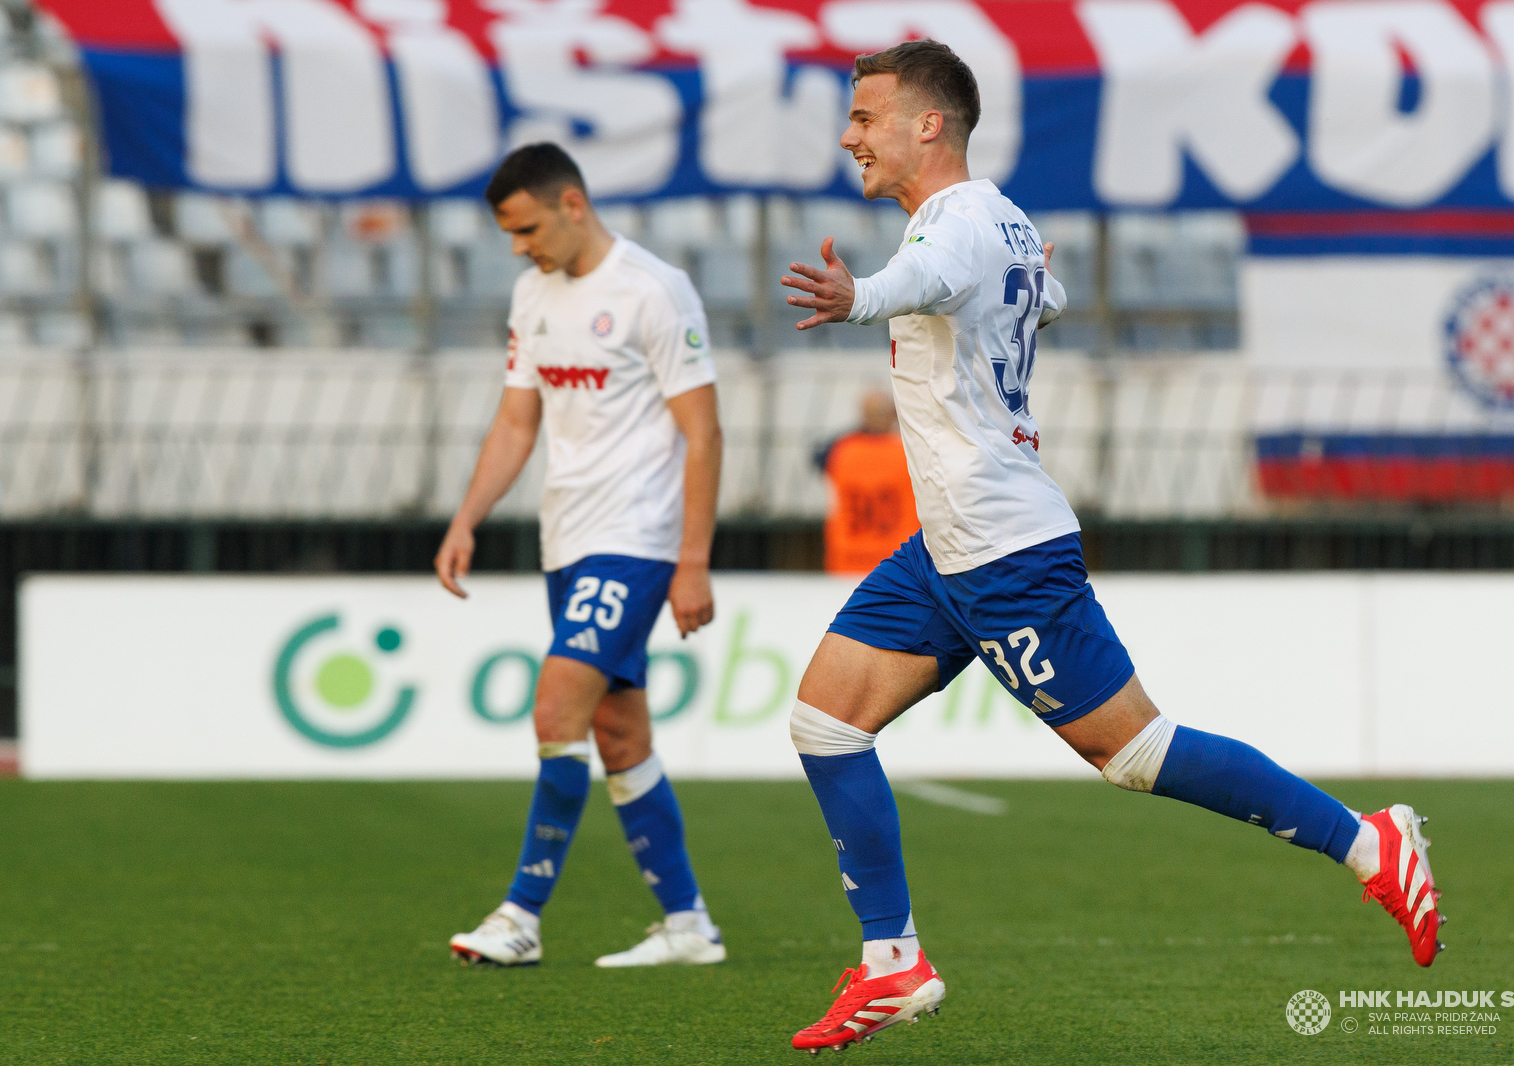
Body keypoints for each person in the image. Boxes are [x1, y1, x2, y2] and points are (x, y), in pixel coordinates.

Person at [777, 40, 1444, 1053]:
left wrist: (853, 298)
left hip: (1002, 551)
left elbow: (920, 279)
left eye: (865, 116)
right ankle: (890, 962)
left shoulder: (950, 229)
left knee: (1132, 752)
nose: (848, 134)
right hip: (946, 546)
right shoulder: (1001, 217)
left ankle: (1369, 841)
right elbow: (1033, 295)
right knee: (825, 721)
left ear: (927, 123)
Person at [435, 143, 726, 969]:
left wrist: (692, 559)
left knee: (556, 709)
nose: (518, 247)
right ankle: (688, 925)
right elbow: (516, 421)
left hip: (635, 540)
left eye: (525, 228)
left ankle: (521, 915)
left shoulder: (652, 291)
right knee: (618, 735)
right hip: (564, 542)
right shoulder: (532, 294)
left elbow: (701, 431)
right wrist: (467, 519)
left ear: (571, 204)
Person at [815, 389, 919, 574]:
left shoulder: (840, 451)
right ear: (893, 415)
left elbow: (818, 455)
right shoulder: (910, 452)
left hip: (847, 560)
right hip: (897, 563)